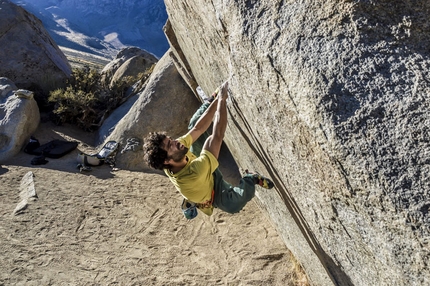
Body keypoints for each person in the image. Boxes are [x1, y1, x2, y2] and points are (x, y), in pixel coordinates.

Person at [142, 81, 274, 219]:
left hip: (198, 164)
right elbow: (217, 135)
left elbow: (198, 129)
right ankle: (251, 178)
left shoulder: (174, 153)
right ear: (167, 160)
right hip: (213, 189)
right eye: (170, 145)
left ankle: (210, 99)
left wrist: (216, 100)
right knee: (233, 205)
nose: (175, 142)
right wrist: (222, 100)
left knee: (194, 124)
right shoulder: (194, 174)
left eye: (170, 140)